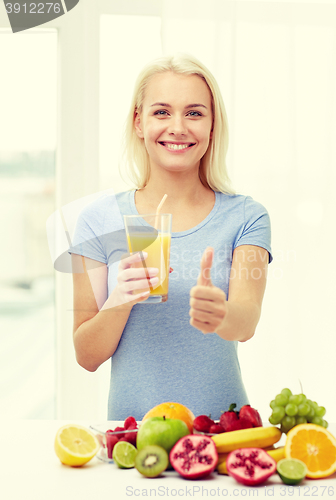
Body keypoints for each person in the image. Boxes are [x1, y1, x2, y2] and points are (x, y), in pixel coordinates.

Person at [69, 54, 272, 421]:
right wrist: (121, 299)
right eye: (161, 112)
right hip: (133, 443)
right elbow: (86, 356)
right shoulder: (98, 220)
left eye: (194, 113)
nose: (177, 127)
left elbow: (247, 324)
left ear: (212, 127)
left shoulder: (246, 216)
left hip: (222, 437)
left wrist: (221, 312)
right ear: (138, 122)